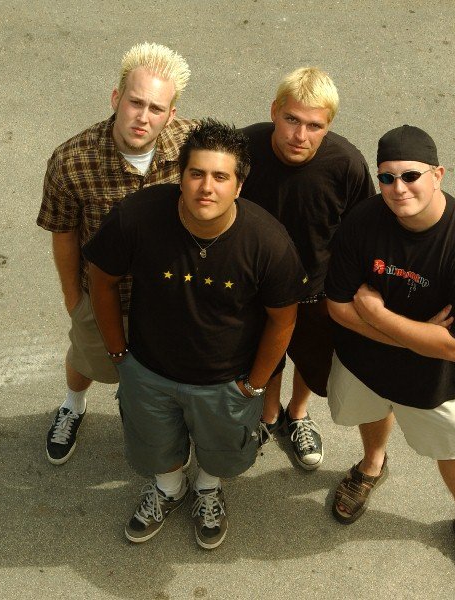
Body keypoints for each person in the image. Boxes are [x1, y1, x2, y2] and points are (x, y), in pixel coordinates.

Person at [83, 119, 308, 549]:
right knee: (153, 445)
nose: (207, 187)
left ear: (239, 186)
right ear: (180, 177)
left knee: (221, 451)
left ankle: (207, 488)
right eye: (197, 173)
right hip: (148, 370)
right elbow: (101, 278)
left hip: (227, 381)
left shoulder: (269, 243)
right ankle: (169, 489)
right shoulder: (137, 216)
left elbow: (283, 321)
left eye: (220, 177)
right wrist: (118, 354)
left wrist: (254, 385)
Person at [325, 125, 455, 588]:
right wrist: (418, 336)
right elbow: (338, 308)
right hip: (364, 364)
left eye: (410, 175)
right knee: (371, 411)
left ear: (438, 175)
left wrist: (377, 315)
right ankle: (372, 464)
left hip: (434, 381)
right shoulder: (363, 222)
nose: (398, 188)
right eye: (386, 177)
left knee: (452, 447)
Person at [37, 42, 194, 465]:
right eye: (135, 102)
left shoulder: (192, 148)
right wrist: (74, 299)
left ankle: (156, 423)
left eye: (156, 108)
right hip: (103, 295)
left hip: (170, 298)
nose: (143, 117)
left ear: (171, 115)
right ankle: (72, 405)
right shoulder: (72, 161)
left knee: (165, 373)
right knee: (85, 357)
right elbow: (65, 234)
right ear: (116, 98)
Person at [240, 67, 375, 470]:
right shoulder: (243, 148)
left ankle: (297, 413)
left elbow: (362, 231)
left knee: (312, 360)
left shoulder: (346, 163)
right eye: (291, 120)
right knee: (265, 353)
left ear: (328, 125)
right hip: (255, 286)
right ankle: (268, 415)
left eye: (315, 126)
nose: (300, 135)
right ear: (274, 111)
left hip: (317, 288)